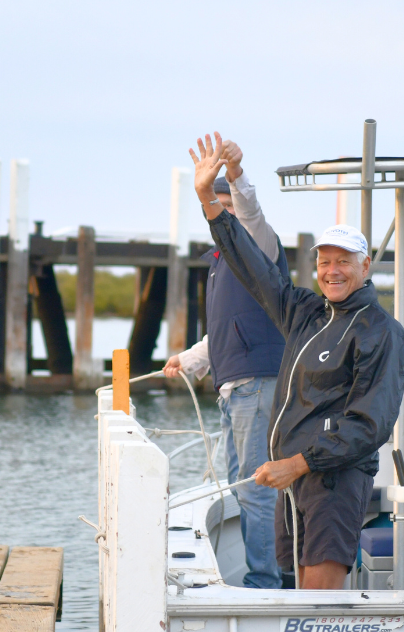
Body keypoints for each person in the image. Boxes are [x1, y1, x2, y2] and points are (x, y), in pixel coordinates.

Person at [189, 132, 404, 590]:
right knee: (298, 598)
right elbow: (253, 266)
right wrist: (208, 200)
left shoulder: (381, 332)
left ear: (365, 266)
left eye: (344, 262)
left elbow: (369, 426)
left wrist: (298, 463)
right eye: (325, 261)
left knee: (318, 607)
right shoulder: (307, 314)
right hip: (295, 487)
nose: (332, 271)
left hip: (333, 484)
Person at [162, 142, 287, 590]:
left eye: (227, 205)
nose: (223, 214)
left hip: (255, 385)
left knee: (254, 489)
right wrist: (190, 360)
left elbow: (250, 214)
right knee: (243, 487)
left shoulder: (259, 245)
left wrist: (235, 175)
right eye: (217, 207)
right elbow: (223, 333)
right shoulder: (219, 264)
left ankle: (264, 584)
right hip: (235, 388)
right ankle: (266, 575)